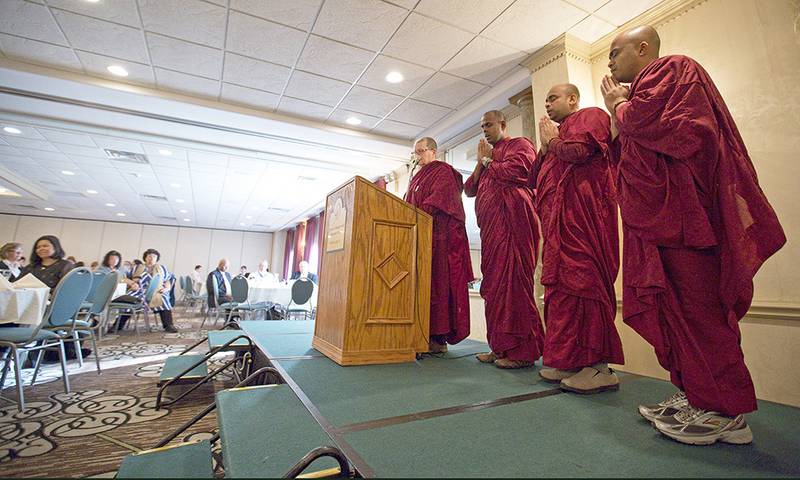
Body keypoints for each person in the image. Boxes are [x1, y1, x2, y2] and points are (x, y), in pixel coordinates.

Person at [600, 25, 785, 445]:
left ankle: (728, 413)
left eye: (615, 52)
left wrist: (620, 108)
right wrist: (622, 115)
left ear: (643, 48)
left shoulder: (675, 70)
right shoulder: (640, 93)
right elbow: (632, 155)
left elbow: (680, 131)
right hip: (660, 222)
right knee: (676, 314)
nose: (609, 62)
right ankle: (699, 396)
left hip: (688, 221)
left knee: (701, 314)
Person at [531, 84, 624, 393]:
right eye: (545, 99)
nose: (546, 104)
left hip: (584, 221)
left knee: (584, 283)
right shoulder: (555, 138)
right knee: (562, 291)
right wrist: (545, 148)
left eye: (552, 97)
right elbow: (534, 180)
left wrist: (553, 141)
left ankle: (599, 367)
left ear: (572, 99)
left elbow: (581, 152)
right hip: (557, 227)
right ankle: (571, 360)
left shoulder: (592, 115)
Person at [464, 110, 545, 369]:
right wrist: (480, 163)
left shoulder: (519, 145)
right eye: (482, 126)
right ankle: (499, 347)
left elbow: (522, 171)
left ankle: (522, 353)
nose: (485, 130)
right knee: (495, 288)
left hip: (514, 227)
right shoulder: (488, 157)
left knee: (514, 286)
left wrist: (488, 162)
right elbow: (469, 189)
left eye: (488, 125)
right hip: (492, 231)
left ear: (502, 123)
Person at [404, 136, 473, 353]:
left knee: (438, 288)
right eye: (416, 153)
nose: (418, 158)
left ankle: (437, 338)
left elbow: (441, 201)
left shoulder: (443, 171)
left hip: (440, 241)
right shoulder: (415, 178)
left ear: (433, 151)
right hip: (420, 241)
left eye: (421, 152)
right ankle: (418, 333)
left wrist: (417, 214)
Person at [133, 248, 177, 333]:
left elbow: (167, 280)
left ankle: (169, 325)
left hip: (157, 290)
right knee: (131, 300)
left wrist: (166, 288)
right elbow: (128, 278)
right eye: (149, 256)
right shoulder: (138, 267)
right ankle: (118, 324)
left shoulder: (161, 268)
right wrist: (133, 283)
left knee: (163, 298)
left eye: (154, 257)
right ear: (145, 258)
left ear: (157, 259)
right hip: (140, 290)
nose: (151, 258)